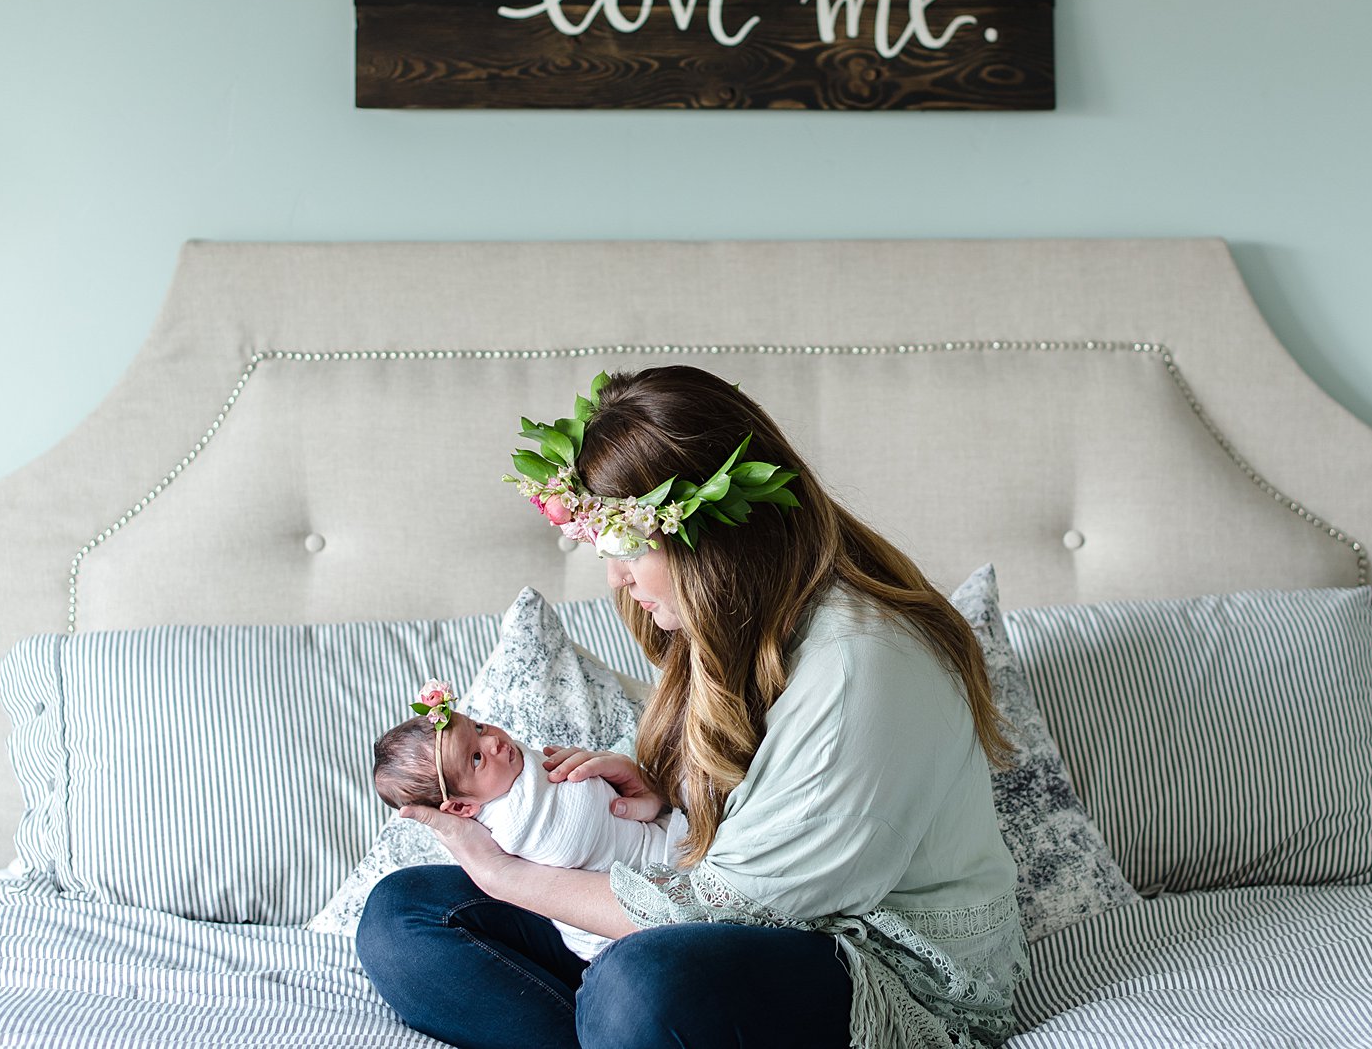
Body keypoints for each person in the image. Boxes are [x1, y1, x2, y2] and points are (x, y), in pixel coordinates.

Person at [357, 366, 1024, 1049]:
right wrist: (670, 790)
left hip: (874, 959)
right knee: (403, 916)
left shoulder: (862, 665)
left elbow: (736, 906)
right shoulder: (729, 623)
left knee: (637, 987)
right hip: (715, 921)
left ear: (710, 539)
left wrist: (506, 875)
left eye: (624, 548)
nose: (614, 576)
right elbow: (747, 805)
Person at [371, 697, 685, 958]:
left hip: (661, 856)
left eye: (478, 727)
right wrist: (497, 875)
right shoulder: (511, 823)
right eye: (476, 758)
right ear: (461, 808)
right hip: (609, 936)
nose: (493, 741)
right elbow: (572, 829)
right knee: (395, 903)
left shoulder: (517, 769)